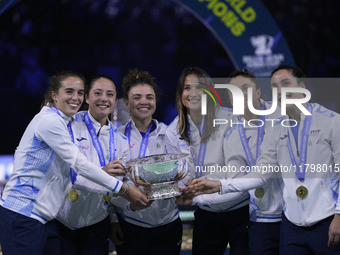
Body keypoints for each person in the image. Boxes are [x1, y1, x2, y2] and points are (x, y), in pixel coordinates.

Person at [189, 65, 340, 254]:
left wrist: (339, 214)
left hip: (323, 219)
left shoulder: (329, 121)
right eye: (276, 87)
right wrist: (219, 186)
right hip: (282, 222)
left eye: (286, 84)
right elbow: (260, 174)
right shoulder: (266, 131)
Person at [0, 71, 149, 255]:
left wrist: (124, 207)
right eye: (69, 91)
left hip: (46, 218)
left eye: (79, 92)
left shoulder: (64, 120)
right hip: (24, 213)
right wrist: (125, 190)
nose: (75, 98)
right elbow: (79, 166)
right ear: (54, 95)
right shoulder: (53, 122)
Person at [166, 67, 250, 255]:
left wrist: (195, 195)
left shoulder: (231, 120)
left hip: (240, 210)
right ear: (180, 94)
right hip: (206, 213)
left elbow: (238, 177)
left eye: (199, 87)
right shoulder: (173, 132)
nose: (193, 93)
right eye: (187, 88)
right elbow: (183, 179)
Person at [56, 75, 135, 254]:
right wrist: (102, 172)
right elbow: (62, 174)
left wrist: (114, 219)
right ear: (86, 97)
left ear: (115, 100)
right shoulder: (68, 126)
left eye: (110, 94)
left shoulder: (121, 141)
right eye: (97, 93)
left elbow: (117, 187)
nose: (104, 99)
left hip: (97, 223)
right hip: (61, 221)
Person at [112, 69, 183, 255]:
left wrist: (180, 188)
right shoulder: (116, 137)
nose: (144, 102)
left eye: (149, 97)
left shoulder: (170, 135)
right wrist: (126, 206)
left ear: (155, 102)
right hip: (132, 225)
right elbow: (109, 184)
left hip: (168, 225)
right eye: (137, 97)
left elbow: (182, 177)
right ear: (127, 103)